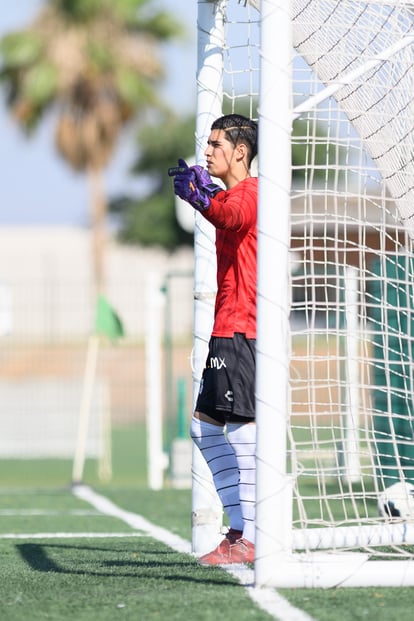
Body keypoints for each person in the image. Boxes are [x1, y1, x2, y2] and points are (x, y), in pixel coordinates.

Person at [170, 114, 258, 565]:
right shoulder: (235, 194)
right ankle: (244, 531)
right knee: (205, 426)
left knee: (243, 432)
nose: (207, 152)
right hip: (228, 329)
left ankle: (252, 535)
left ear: (240, 151)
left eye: (216, 144)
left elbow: (229, 214)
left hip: (241, 330)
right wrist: (207, 196)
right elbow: (223, 210)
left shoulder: (251, 194)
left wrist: (202, 198)